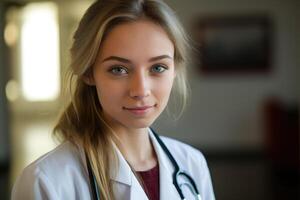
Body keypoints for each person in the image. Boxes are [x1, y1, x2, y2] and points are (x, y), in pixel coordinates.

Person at [11, 0, 215, 199]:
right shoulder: (46, 181)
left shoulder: (192, 163)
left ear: (175, 70)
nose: (141, 90)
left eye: (157, 68)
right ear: (88, 73)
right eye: (119, 69)